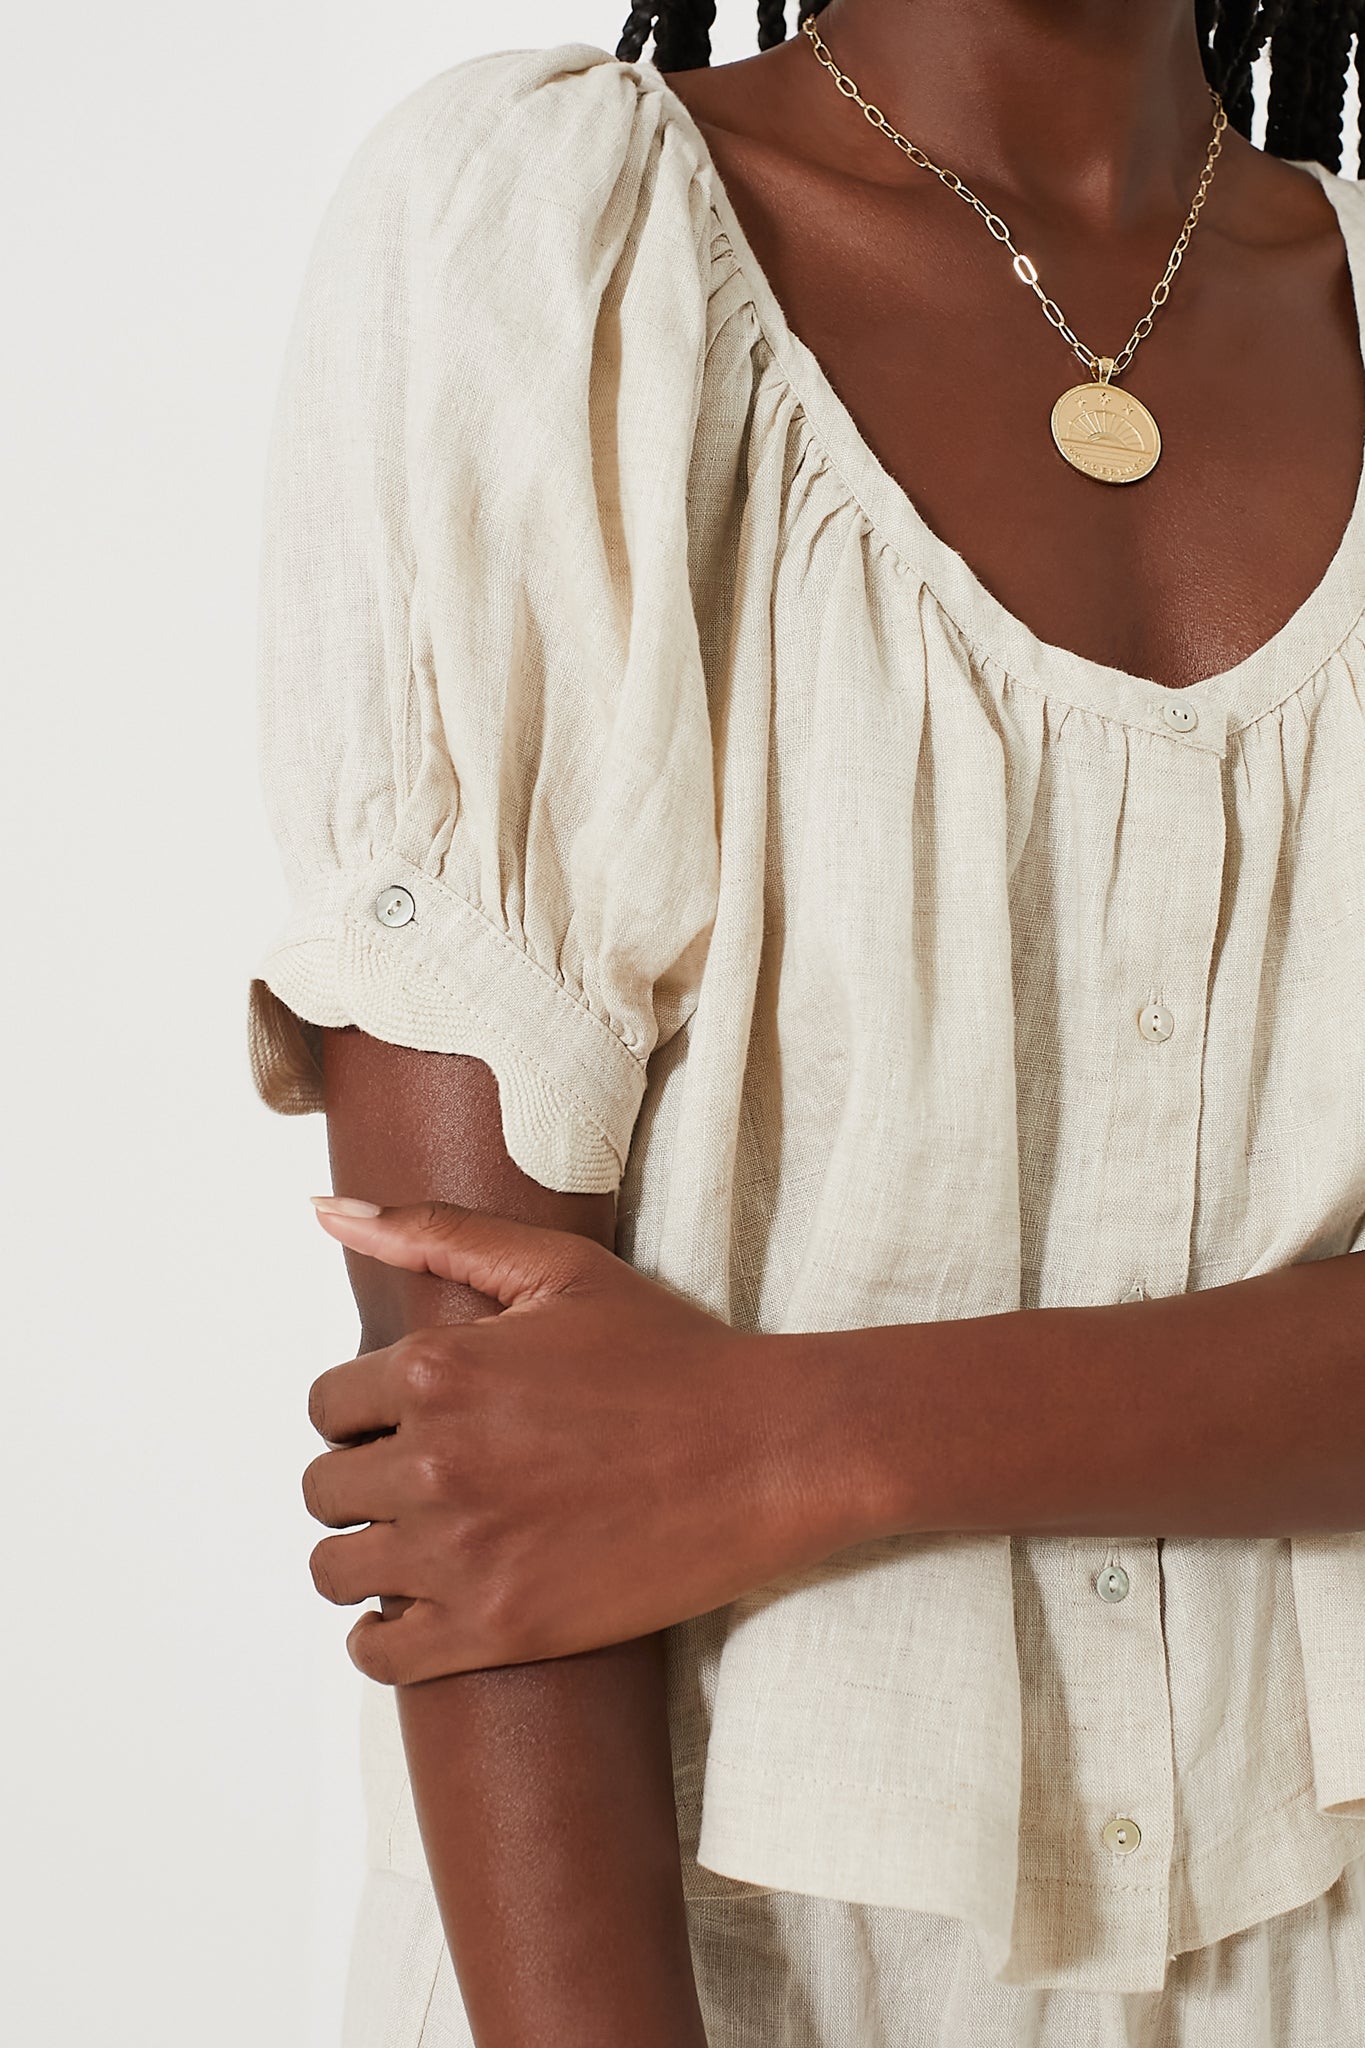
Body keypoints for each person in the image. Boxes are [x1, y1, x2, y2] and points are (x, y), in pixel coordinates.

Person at [248, 1, 1365, 2040]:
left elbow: (579, 1465)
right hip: (749, 1975)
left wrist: (780, 1443)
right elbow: (483, 1463)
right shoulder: (567, 253)